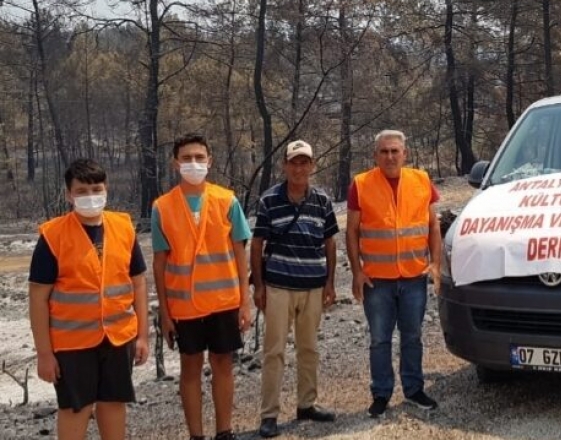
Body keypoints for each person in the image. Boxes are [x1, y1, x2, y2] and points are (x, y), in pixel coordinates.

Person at [28, 158, 149, 440]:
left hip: (119, 338)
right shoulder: (53, 236)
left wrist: (142, 335)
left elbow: (139, 284)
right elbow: (37, 299)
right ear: (69, 195)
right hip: (72, 343)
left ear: (106, 189)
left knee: (113, 403)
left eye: (96, 189)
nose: (90, 196)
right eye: (82, 191)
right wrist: (44, 354)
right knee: (74, 408)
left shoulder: (123, 227)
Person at [152, 134, 252, 440]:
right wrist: (165, 313)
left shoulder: (227, 200)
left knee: (223, 365)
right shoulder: (163, 207)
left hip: (223, 302)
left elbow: (239, 253)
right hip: (185, 306)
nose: (193, 163)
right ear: (175, 163)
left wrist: (244, 303)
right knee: (190, 369)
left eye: (199, 157)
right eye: (186, 158)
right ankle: (196, 435)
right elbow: (159, 263)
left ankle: (225, 431)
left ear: (209, 161)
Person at [345, 129, 442, 418]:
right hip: (377, 279)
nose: (389, 156)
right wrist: (356, 272)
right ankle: (381, 392)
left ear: (405, 154)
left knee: (412, 336)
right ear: (375, 155)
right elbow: (351, 231)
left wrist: (435, 264)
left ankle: (413, 389)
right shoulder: (361, 184)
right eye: (384, 151)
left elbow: (433, 226)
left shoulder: (422, 180)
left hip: (413, 276)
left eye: (394, 151)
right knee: (379, 339)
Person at [251, 140, 339, 437]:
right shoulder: (269, 200)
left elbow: (329, 242)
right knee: (274, 351)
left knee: (309, 348)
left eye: (305, 162)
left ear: (312, 165)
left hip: (313, 285)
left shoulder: (323, 201)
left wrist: (330, 282)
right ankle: (269, 414)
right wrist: (258, 285)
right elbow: (257, 242)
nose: (299, 168)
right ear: (285, 166)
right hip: (278, 286)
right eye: (294, 162)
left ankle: (307, 404)